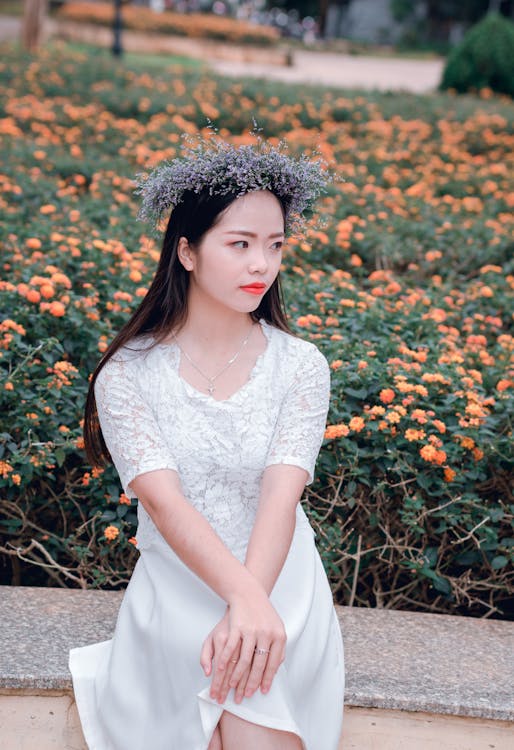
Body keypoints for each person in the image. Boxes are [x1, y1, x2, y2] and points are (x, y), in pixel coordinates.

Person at [69, 134, 345, 750]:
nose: (261, 265)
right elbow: (165, 506)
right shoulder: (128, 375)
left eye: (274, 246)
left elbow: (282, 497)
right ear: (188, 252)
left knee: (254, 719)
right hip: (178, 584)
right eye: (240, 244)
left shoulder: (301, 366)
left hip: (281, 583)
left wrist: (254, 604)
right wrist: (239, 602)